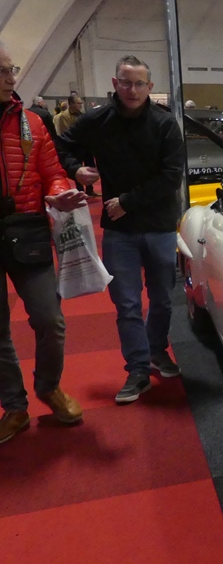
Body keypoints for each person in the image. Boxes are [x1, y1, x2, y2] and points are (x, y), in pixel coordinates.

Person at [55, 54, 185, 404]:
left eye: (139, 83)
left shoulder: (164, 124)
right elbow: (61, 145)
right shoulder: (98, 120)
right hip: (120, 231)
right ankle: (137, 369)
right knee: (126, 303)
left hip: (158, 225)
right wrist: (75, 169)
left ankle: (156, 350)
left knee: (162, 298)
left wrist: (129, 200)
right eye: (126, 82)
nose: (132, 89)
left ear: (150, 86)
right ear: (115, 83)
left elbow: (172, 176)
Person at [0, 39, 88, 443]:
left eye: (12, 70)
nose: (11, 78)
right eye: (3, 71)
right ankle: (14, 407)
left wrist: (58, 192)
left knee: (50, 320)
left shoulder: (32, 124)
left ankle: (49, 387)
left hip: (27, 231)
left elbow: (52, 172)